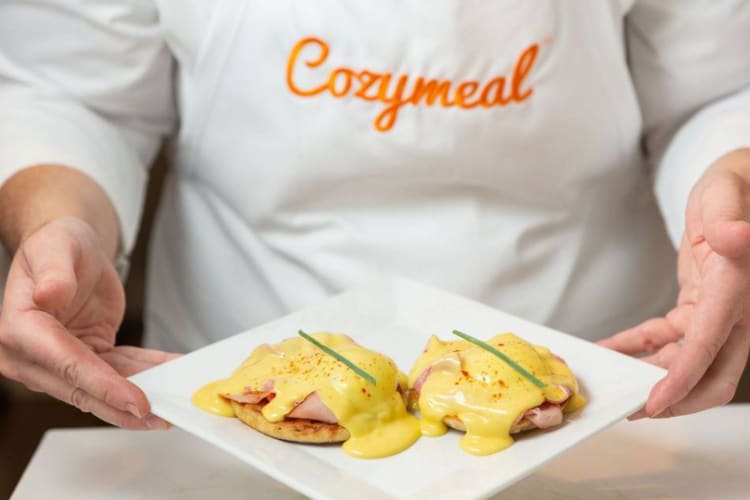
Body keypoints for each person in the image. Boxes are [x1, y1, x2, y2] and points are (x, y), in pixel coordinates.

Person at [0, 1, 749, 430]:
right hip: (238, 376)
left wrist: (731, 194)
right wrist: (62, 221)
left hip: (597, 373)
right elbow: (73, 91)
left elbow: (718, 87)